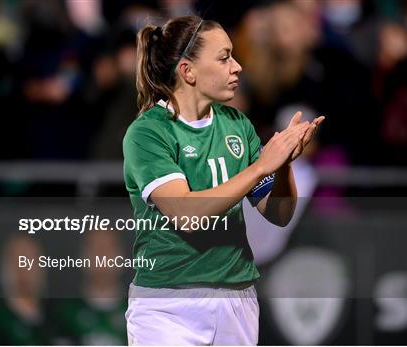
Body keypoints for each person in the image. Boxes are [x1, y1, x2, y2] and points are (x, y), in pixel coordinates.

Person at [122, 15, 324, 345]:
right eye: (224, 56)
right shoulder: (148, 132)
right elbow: (186, 214)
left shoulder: (236, 125)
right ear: (188, 72)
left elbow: (279, 214)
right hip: (167, 303)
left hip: (236, 298)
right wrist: (260, 167)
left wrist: (283, 165)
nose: (238, 66)